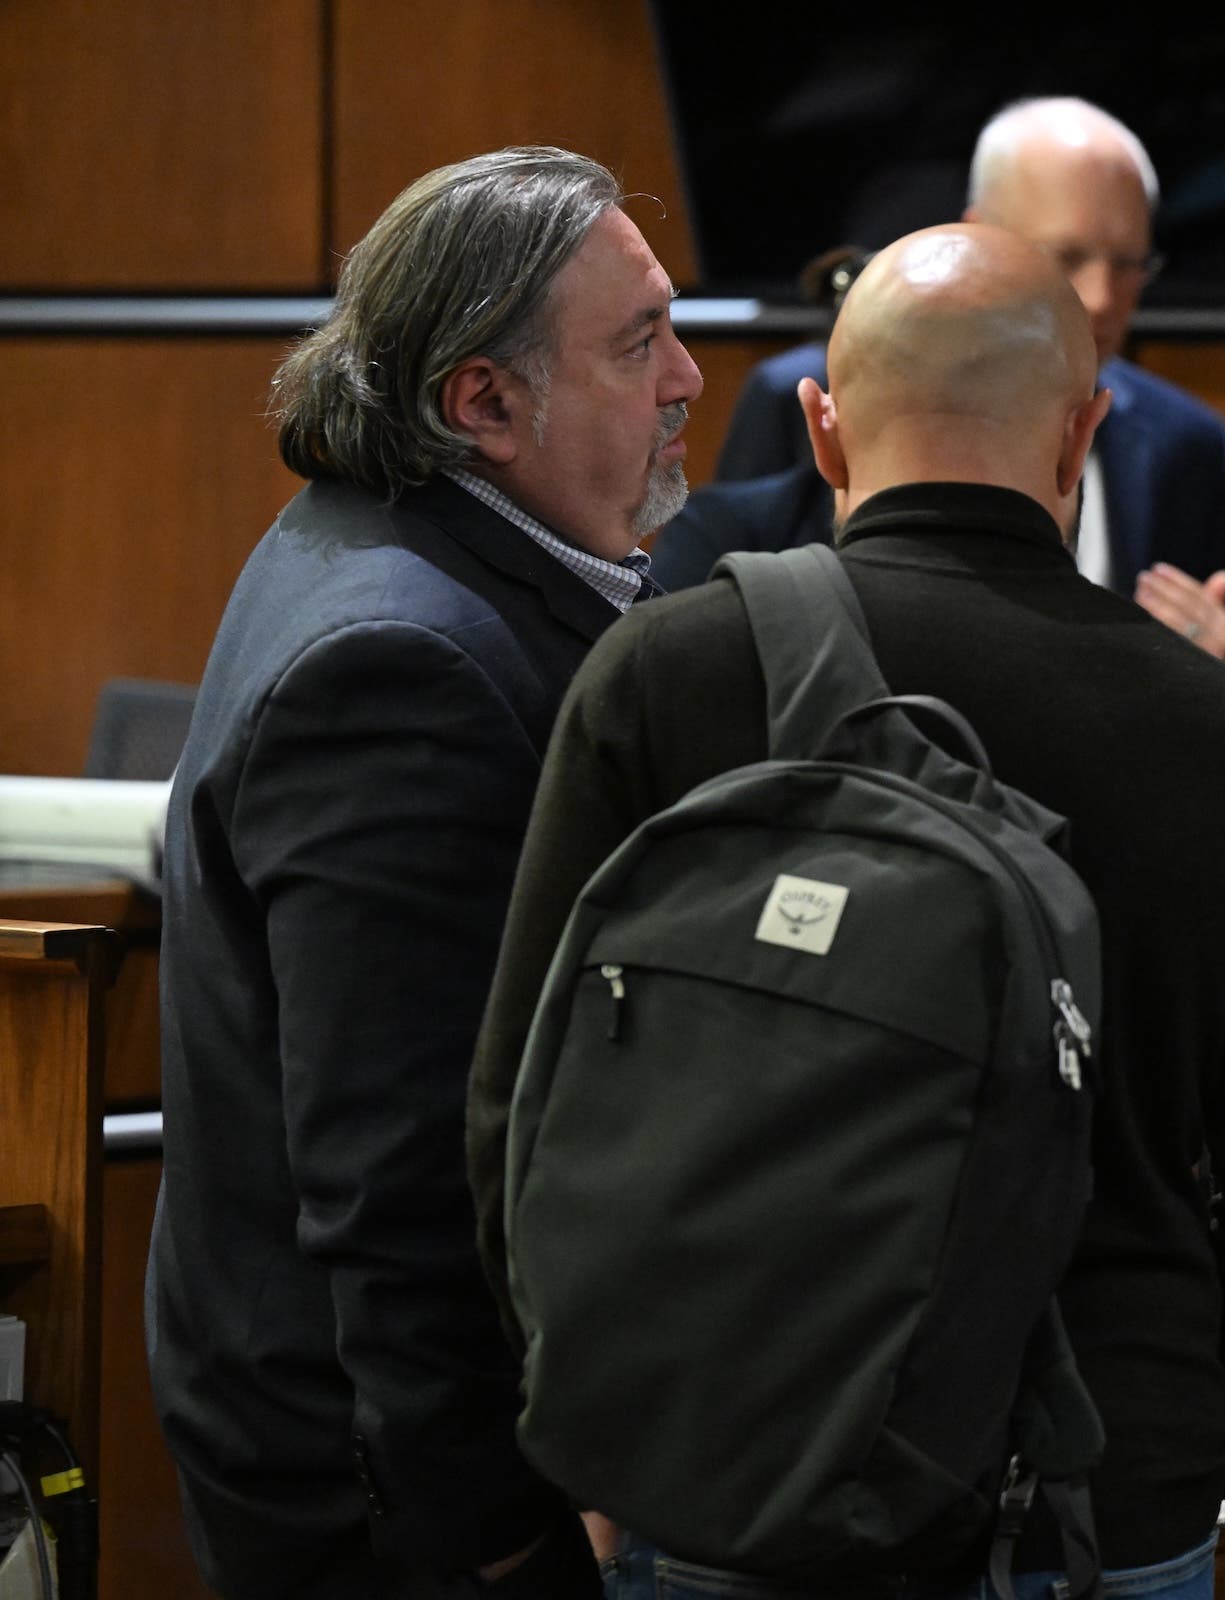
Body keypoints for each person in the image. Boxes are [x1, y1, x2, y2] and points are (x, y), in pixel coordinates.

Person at [466, 223, 1225, 1599]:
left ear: (824, 434)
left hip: (737, 1476)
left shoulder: (668, 671)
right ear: (1084, 435)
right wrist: (1187, 1428)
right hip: (1103, 1493)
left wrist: (624, 1415)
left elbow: (513, 1115)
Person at [150, 145, 702, 1599]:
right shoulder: (403, 664)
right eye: (639, 341)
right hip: (397, 1515)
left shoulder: (403, 555)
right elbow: (397, 1188)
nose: (691, 379)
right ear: (483, 402)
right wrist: (503, 1537)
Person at [675, 97, 1225, 659]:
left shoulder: (1189, 445)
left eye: (1129, 264)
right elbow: (735, 608)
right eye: (1067, 256)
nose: (1099, 299)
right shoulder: (787, 416)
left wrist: (1198, 667)